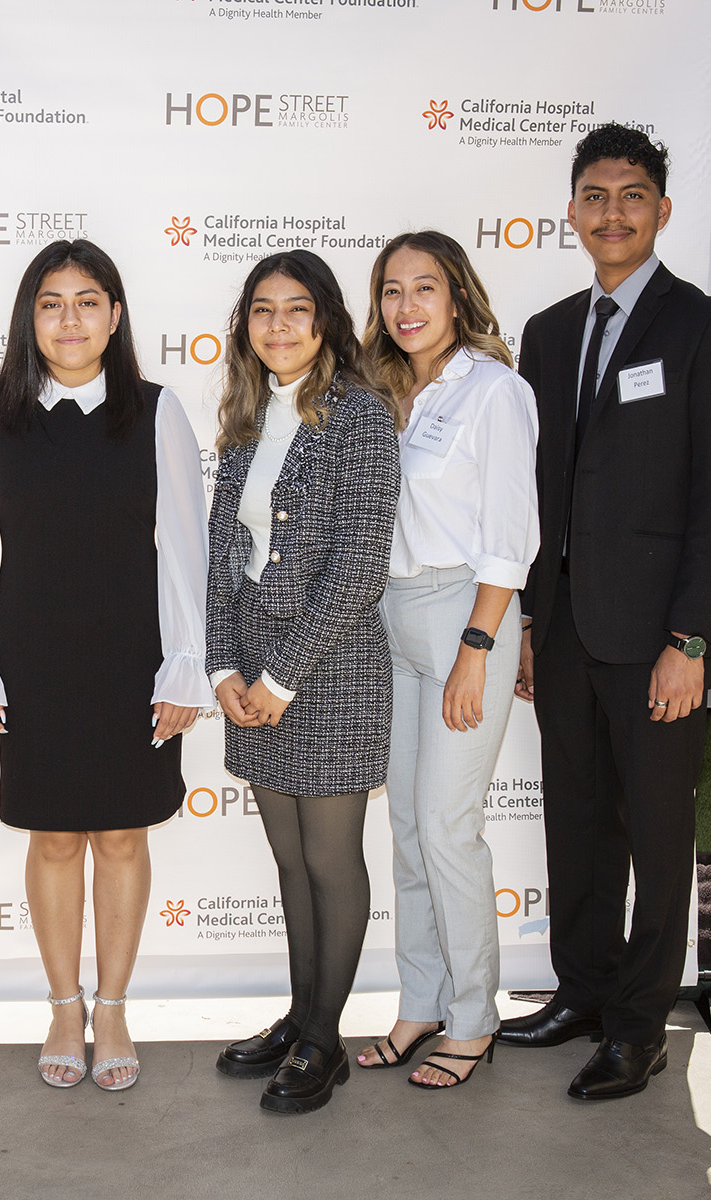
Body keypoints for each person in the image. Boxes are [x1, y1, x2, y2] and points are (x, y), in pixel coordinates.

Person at [504, 125, 711, 1100]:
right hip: (564, 629)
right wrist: (530, 621)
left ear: (661, 210)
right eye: (596, 195)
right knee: (576, 823)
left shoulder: (702, 330)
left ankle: (641, 1024)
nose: (613, 212)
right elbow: (539, 491)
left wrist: (691, 640)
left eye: (633, 194)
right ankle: (583, 990)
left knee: (654, 833)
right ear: (572, 211)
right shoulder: (551, 331)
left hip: (658, 638)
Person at [0, 239, 209, 1094]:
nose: (69, 319)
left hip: (134, 656)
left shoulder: (159, 412)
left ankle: (117, 1005)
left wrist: (185, 664)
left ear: (116, 315)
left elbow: (184, 551)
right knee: (54, 836)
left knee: (123, 833)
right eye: (51, 303)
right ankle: (63, 1004)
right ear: (30, 317)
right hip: (33, 657)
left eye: (88, 301)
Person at [206, 250, 399, 1114]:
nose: (277, 327)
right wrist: (224, 667)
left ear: (325, 321)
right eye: (261, 311)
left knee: (329, 857)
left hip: (331, 666)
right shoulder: (246, 415)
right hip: (253, 669)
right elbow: (222, 558)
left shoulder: (361, 416)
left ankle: (326, 1039)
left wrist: (283, 676)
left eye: (295, 310)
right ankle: (298, 1016)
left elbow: (361, 563)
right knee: (288, 858)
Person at [351, 232, 539, 1089]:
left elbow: (511, 540)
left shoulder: (495, 392)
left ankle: (473, 1017)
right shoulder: (384, 391)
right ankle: (419, 1001)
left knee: (448, 830)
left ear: (457, 297)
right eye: (392, 290)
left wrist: (478, 647)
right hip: (390, 618)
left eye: (425, 288)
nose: (407, 306)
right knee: (406, 830)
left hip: (467, 615)